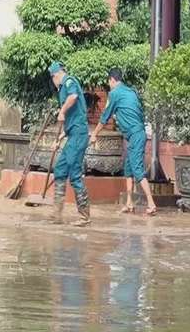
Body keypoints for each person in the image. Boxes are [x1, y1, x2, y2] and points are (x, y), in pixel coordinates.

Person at [90, 68, 158, 216]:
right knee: (128, 170)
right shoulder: (131, 91)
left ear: (112, 80)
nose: (109, 85)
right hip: (136, 134)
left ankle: (151, 204)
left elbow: (105, 116)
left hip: (135, 136)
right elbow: (137, 112)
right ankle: (129, 203)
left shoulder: (115, 93)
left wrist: (94, 134)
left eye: (109, 82)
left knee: (138, 170)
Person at [48, 61, 91, 227]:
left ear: (56, 75)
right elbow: (72, 118)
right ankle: (56, 213)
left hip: (78, 135)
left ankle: (84, 215)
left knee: (74, 172)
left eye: (53, 78)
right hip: (72, 134)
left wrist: (62, 110)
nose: (53, 81)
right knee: (60, 169)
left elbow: (73, 98)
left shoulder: (69, 82)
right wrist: (60, 138)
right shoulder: (62, 88)